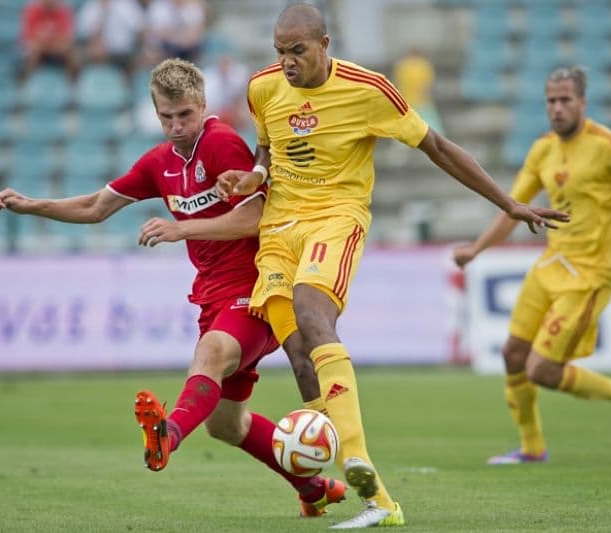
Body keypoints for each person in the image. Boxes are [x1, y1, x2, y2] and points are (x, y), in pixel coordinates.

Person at [216, 4, 568, 528]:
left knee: (315, 317)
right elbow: (268, 149)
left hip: (335, 219)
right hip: (278, 231)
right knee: (297, 353)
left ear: (324, 43)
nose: (286, 62)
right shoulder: (263, 87)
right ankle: (368, 494)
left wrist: (508, 204)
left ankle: (356, 462)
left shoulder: (368, 89)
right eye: (279, 52)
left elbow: (438, 148)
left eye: (297, 51)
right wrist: (253, 176)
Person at [0, 58, 346, 519]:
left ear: (202, 105)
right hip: (212, 295)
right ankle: (313, 487)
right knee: (227, 425)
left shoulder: (221, 144)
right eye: (166, 117)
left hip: (258, 287)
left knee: (212, 354)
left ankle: (167, 435)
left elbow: (255, 216)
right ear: (156, 113)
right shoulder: (160, 163)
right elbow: (97, 207)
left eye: (184, 115)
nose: (176, 127)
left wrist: (184, 229)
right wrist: (32, 205)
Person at [453, 66, 611, 465]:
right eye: (551, 100)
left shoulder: (608, 145)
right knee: (513, 354)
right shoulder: (542, 149)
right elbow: (512, 210)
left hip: (588, 277)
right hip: (549, 266)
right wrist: (476, 249)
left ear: (583, 102)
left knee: (542, 370)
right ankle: (532, 448)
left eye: (566, 99)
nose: (557, 107)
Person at [20, 0, 76, 79]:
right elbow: (29, 39)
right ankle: (25, 85)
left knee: (73, 55)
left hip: (56, 49)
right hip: (37, 49)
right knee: (33, 52)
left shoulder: (64, 12)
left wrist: (46, 43)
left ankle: (73, 87)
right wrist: (46, 43)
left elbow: (67, 40)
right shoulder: (32, 10)